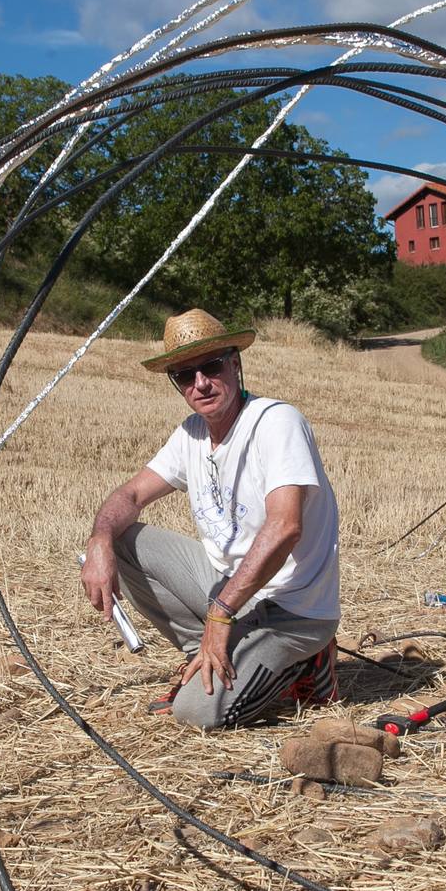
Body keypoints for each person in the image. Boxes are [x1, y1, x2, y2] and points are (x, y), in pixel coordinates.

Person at [82, 309, 340, 729]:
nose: (200, 383)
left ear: (235, 364)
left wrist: (219, 614)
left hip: (293, 610)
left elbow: (285, 527)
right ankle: (199, 657)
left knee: (197, 714)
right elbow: (129, 494)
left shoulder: (276, 423)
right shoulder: (191, 434)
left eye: (210, 366)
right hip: (233, 592)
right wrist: (99, 539)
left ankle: (306, 663)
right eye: (185, 375)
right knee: (122, 538)